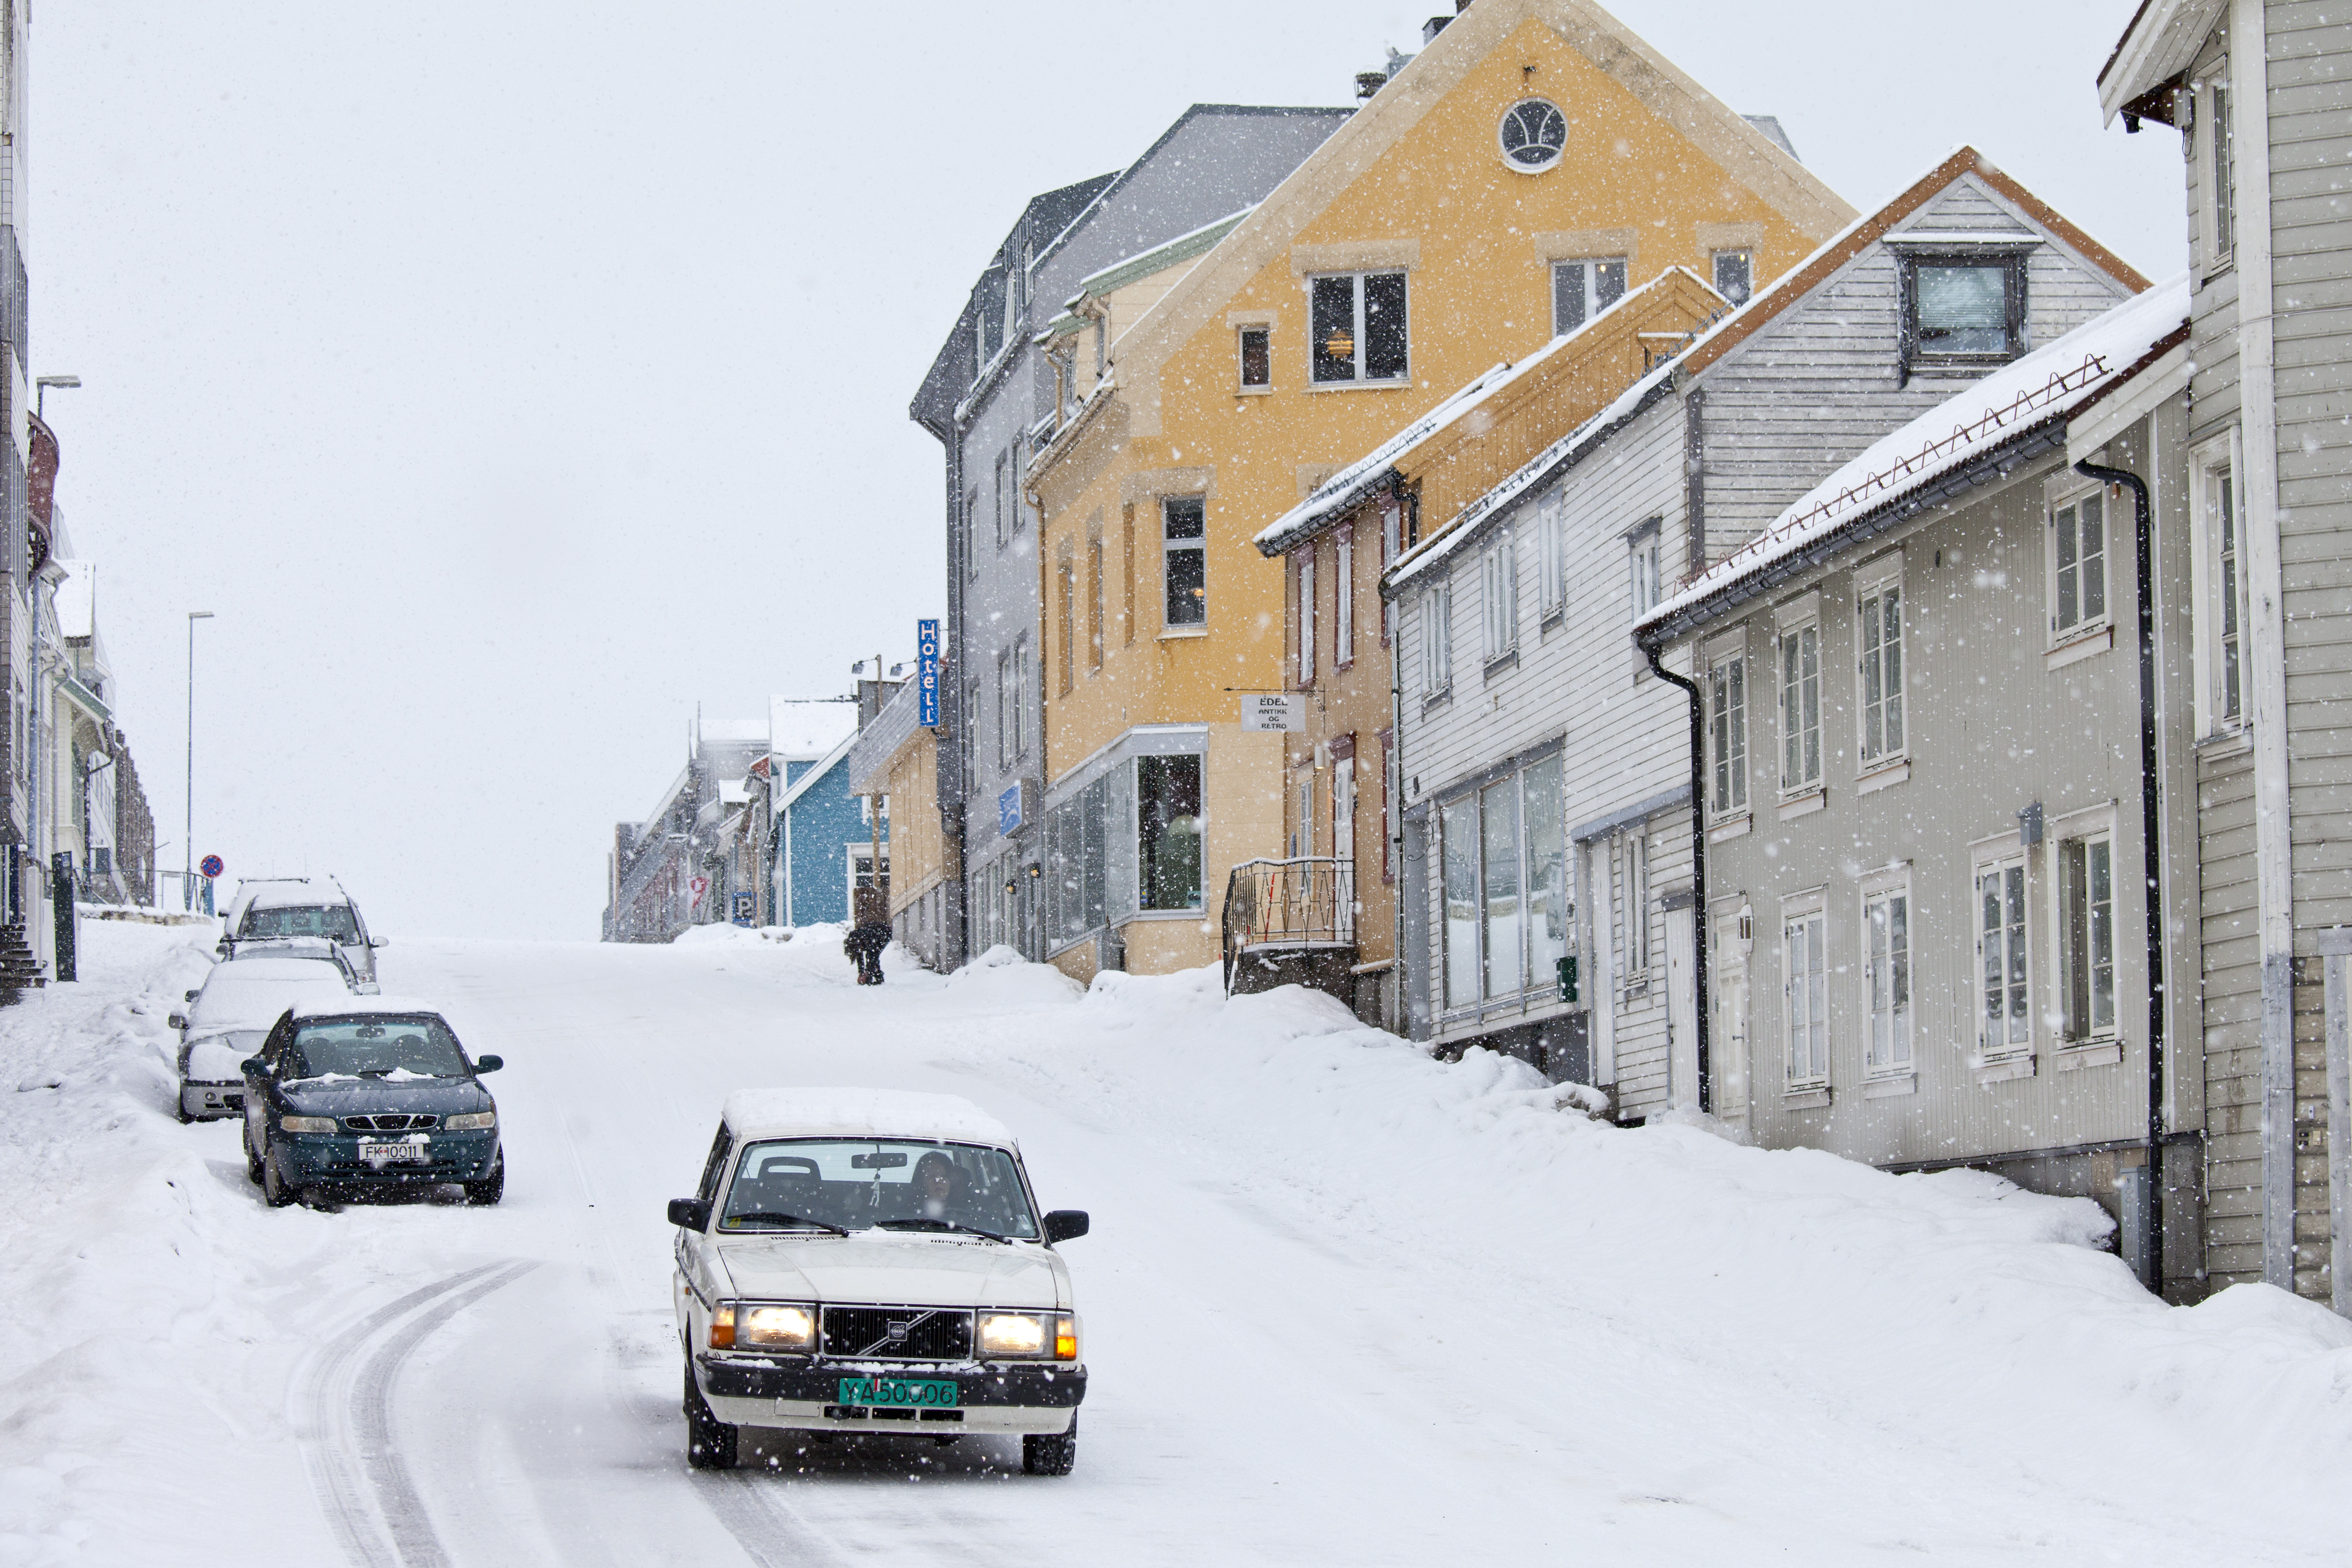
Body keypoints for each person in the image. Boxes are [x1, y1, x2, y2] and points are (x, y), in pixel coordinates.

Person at [843, 918, 891, 985]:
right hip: (873, 934)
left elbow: (873, 956)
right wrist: (861, 973)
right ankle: (872, 977)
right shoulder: (854, 940)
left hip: (884, 934)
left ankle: (878, 978)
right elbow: (859, 957)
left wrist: (866, 974)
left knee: (872, 956)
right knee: (871, 956)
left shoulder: (867, 939)